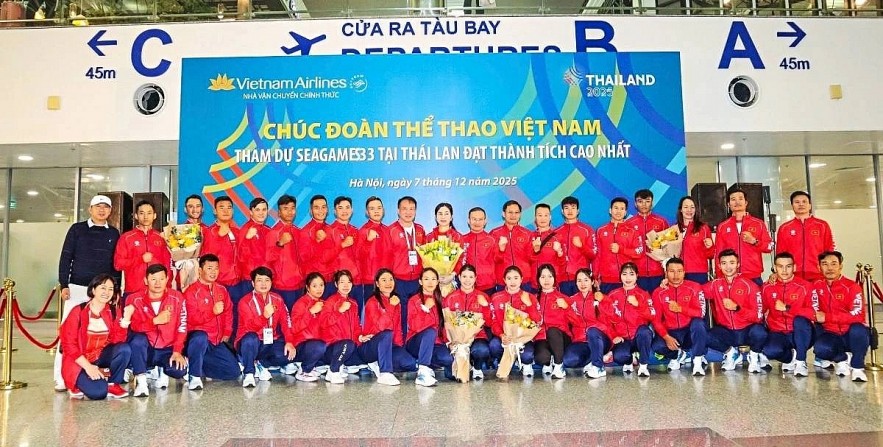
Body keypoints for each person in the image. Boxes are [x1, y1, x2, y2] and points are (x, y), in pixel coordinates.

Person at [55, 194, 121, 391]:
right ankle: (60, 377)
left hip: (103, 293)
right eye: (98, 207)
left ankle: (92, 372)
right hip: (78, 288)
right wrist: (63, 284)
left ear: (110, 211)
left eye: (106, 207)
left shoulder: (114, 233)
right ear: (90, 209)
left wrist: (115, 290)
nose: (102, 210)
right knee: (69, 334)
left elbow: (115, 266)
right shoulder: (77, 229)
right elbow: (66, 257)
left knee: (101, 332)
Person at [60, 274, 130, 400]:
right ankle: (76, 385)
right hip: (79, 362)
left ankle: (112, 383)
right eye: (103, 288)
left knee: (124, 349)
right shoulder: (78, 311)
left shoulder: (113, 311)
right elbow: (69, 345)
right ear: (93, 290)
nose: (107, 292)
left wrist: (125, 321)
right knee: (98, 393)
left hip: (100, 357)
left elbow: (117, 341)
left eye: (110, 289)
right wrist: (88, 367)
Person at [125, 264, 188, 397]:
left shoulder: (177, 297)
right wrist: (154, 321)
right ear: (146, 281)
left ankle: (162, 370)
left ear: (167, 279)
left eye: (161, 279)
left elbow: (182, 327)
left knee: (178, 371)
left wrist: (177, 351)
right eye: (153, 279)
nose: (158, 283)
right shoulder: (133, 299)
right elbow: (133, 327)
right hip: (146, 348)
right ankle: (142, 382)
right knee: (137, 340)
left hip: (167, 348)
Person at [183, 254, 241, 391]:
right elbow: (191, 319)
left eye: (216, 268)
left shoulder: (221, 290)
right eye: (209, 268)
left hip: (215, 341)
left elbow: (228, 312)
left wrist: (227, 332)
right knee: (200, 337)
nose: (213, 272)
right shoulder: (191, 292)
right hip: (197, 340)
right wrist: (212, 312)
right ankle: (194, 375)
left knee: (233, 373)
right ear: (200, 271)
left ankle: (195, 364)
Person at [704, 249, 768, 373]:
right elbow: (695, 291)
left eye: (732, 263)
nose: (728, 267)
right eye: (724, 263)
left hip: (746, 330)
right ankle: (731, 353)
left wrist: (737, 308)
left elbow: (758, 316)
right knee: (705, 336)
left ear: (738, 264)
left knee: (760, 333)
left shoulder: (750, 285)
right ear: (719, 265)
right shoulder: (715, 285)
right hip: (727, 331)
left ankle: (754, 357)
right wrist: (668, 283)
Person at [812, 251, 870, 382]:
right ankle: (842, 359)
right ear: (819, 267)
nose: (830, 268)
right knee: (820, 349)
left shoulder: (852, 287)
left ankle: (857, 366)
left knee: (858, 328)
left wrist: (828, 317)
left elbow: (858, 315)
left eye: (834, 264)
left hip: (850, 333)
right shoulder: (816, 286)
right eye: (825, 264)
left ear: (840, 266)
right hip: (830, 332)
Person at [236, 267, 297, 388]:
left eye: (267, 280)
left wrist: (290, 342)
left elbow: (286, 322)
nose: (263, 284)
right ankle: (249, 372)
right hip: (249, 343)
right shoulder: (245, 301)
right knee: (250, 338)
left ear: (271, 283)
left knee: (289, 355)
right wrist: (264, 316)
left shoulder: (277, 299)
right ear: (253, 283)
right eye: (259, 280)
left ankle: (261, 364)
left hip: (269, 342)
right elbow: (249, 327)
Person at [650, 257, 708, 376]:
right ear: (666, 273)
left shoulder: (694, 287)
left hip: (689, 331)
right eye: (672, 271)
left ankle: (697, 361)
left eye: (679, 271)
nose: (676, 275)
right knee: (657, 346)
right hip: (672, 332)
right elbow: (655, 320)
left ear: (684, 272)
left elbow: (701, 313)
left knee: (699, 324)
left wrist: (680, 309)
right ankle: (678, 355)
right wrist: (666, 337)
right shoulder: (658, 292)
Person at [596, 262, 655, 377]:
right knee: (620, 357)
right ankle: (629, 360)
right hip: (622, 339)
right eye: (624, 274)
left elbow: (652, 315)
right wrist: (613, 336)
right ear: (620, 276)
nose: (628, 278)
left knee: (645, 332)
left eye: (631, 274)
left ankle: (643, 366)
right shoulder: (613, 295)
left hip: (638, 337)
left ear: (637, 276)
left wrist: (638, 305)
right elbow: (605, 319)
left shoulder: (643, 294)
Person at [760, 252, 814, 377]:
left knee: (800, 320)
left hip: (801, 332)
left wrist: (788, 308)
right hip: (778, 332)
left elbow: (813, 313)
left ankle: (801, 361)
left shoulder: (805, 286)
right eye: (780, 266)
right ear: (775, 267)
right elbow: (760, 311)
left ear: (794, 267)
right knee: (770, 351)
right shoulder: (767, 287)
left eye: (788, 266)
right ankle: (791, 357)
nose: (784, 270)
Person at [360, 268, 415, 383]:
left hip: (390, 345)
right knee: (386, 334)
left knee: (409, 363)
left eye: (391, 280)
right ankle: (385, 372)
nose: (388, 283)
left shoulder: (395, 300)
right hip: (372, 345)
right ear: (377, 284)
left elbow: (398, 327)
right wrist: (390, 306)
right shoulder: (372, 302)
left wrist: (400, 348)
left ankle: (380, 363)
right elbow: (380, 327)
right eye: (384, 280)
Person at [405, 267, 454, 386]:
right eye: (426, 279)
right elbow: (415, 326)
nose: (430, 282)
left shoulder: (441, 300)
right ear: (420, 281)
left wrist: (449, 342)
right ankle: (422, 372)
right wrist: (425, 309)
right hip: (416, 342)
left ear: (438, 282)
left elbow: (444, 325)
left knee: (447, 359)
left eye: (433, 279)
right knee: (431, 331)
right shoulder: (414, 300)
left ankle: (426, 366)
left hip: (435, 343)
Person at [114, 200, 171, 303]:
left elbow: (167, 265)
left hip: (157, 292)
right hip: (133, 291)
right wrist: (140, 259)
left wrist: (168, 287)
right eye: (141, 213)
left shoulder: (162, 237)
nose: (145, 216)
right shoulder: (126, 238)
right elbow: (118, 264)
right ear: (136, 216)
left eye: (149, 213)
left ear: (154, 215)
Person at [443, 264, 493, 380]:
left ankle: (477, 367)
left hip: (477, 336)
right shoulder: (450, 298)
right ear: (459, 277)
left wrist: (485, 306)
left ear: (475, 278)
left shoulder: (483, 296)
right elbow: (445, 323)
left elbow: (490, 323)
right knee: (451, 375)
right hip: (456, 339)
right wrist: (449, 342)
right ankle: (464, 362)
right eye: (464, 276)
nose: (467, 280)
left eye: (471, 277)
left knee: (481, 351)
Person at [714, 186, 772, 286]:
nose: (737, 202)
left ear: (746, 203)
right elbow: (718, 253)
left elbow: (769, 247)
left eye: (740, 199)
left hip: (753, 275)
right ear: (728, 204)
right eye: (733, 199)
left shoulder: (758, 223)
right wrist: (719, 275)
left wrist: (754, 241)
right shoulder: (722, 226)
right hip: (730, 276)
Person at [489, 266, 540, 377]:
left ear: (521, 279)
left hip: (524, 339)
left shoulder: (529, 297)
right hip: (504, 337)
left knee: (527, 356)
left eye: (516, 278)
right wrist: (502, 335)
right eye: (509, 278)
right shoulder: (496, 298)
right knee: (493, 346)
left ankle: (525, 363)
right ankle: (502, 361)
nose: (512, 281)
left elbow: (538, 321)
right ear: (504, 280)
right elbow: (493, 322)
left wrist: (529, 305)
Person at [775, 191, 835, 282]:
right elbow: (780, 253)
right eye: (797, 202)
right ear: (792, 206)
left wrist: (827, 269)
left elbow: (829, 249)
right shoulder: (785, 228)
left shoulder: (822, 225)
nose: (801, 204)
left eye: (804, 202)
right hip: (793, 276)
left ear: (810, 205)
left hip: (818, 275)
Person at [388, 196, 426, 335]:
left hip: (417, 280)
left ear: (415, 211)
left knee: (417, 313)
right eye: (404, 209)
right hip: (399, 280)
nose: (408, 212)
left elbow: (425, 254)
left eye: (412, 209)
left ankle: (414, 341)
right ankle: (401, 343)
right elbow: (387, 257)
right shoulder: (391, 230)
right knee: (401, 314)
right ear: (398, 211)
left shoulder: (420, 229)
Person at [564, 268, 609, 379]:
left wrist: (603, 301)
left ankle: (598, 367)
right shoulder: (571, 300)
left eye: (586, 280)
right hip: (581, 341)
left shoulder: (600, 297)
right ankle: (593, 359)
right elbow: (572, 321)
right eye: (579, 280)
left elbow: (612, 317)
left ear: (592, 282)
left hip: (600, 339)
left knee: (592, 331)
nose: (582, 284)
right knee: (569, 360)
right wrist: (567, 309)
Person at [319, 270, 360, 385]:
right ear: (336, 284)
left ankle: (339, 364)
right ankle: (333, 370)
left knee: (354, 345)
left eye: (349, 282)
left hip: (348, 347)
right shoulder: (331, 301)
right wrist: (339, 311)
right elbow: (323, 323)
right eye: (342, 282)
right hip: (332, 347)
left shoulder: (353, 303)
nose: (346, 285)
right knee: (348, 344)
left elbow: (356, 326)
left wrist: (360, 336)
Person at [288, 272, 331, 382]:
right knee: (319, 346)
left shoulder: (324, 303)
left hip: (319, 344)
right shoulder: (301, 303)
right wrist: (311, 312)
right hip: (303, 345)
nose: (319, 289)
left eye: (321, 285)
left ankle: (314, 365)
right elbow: (294, 328)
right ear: (307, 287)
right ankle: (304, 370)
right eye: (315, 286)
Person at [594, 197, 642, 294]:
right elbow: (597, 256)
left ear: (625, 212)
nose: (618, 211)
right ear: (610, 210)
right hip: (607, 280)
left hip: (627, 280)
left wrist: (621, 249)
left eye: (622, 209)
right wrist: (595, 276)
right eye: (616, 208)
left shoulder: (632, 231)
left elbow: (639, 252)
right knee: (606, 308)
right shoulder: (601, 230)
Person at [626, 189, 669, 293]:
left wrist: (667, 273)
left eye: (647, 201)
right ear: (635, 204)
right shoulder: (628, 224)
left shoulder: (662, 222)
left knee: (657, 305)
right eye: (640, 201)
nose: (644, 204)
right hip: (636, 273)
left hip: (658, 272)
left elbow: (669, 250)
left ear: (652, 203)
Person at [533, 264, 572, 379]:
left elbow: (576, 320)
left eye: (549, 276)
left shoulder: (562, 298)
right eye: (543, 277)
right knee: (541, 358)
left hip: (561, 337)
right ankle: (550, 359)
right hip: (542, 337)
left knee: (553, 331)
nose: (546, 280)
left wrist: (566, 308)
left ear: (554, 278)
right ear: (538, 279)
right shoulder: (533, 299)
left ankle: (559, 366)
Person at [266, 195, 304, 310]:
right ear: (279, 212)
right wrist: (280, 243)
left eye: (292, 208)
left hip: (300, 285)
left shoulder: (299, 231)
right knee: (284, 322)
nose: (289, 212)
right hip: (282, 287)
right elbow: (268, 258)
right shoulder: (273, 233)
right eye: (285, 208)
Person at [356, 196, 391, 317]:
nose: (376, 211)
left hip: (388, 281)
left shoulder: (388, 230)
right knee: (373, 317)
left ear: (383, 210)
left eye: (379, 208)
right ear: (367, 212)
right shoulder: (363, 231)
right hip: (371, 281)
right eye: (372, 208)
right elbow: (358, 256)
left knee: (388, 316)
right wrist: (368, 241)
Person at [556, 196, 597, 297]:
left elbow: (593, 255)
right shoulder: (556, 232)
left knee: (582, 310)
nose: (570, 210)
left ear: (578, 210)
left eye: (573, 207)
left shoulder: (587, 230)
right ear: (562, 211)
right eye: (566, 208)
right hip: (562, 279)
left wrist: (581, 246)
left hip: (582, 279)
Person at [490, 200, 533, 292]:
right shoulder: (494, 234)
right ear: (503, 214)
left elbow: (532, 259)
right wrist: (501, 250)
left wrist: (536, 250)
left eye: (516, 212)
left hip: (524, 280)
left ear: (520, 214)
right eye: (510, 212)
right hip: (503, 281)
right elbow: (493, 260)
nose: (513, 215)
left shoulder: (528, 233)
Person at [200, 196, 239, 293]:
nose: (226, 211)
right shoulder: (209, 232)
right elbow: (207, 259)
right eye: (221, 208)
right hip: (218, 283)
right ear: (215, 211)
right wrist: (219, 237)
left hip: (237, 283)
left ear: (233, 211)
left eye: (229, 208)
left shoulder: (237, 231)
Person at [235, 197, 272, 299]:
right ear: (251, 212)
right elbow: (241, 257)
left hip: (266, 277)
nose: (261, 213)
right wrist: (247, 239)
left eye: (264, 210)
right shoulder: (246, 229)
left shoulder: (268, 230)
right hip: (250, 279)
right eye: (257, 210)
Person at [329, 196, 361, 310]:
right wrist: (342, 245)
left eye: (347, 207)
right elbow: (325, 257)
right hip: (339, 283)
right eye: (340, 208)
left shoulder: (356, 231)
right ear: (334, 211)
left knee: (356, 316)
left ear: (352, 210)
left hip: (356, 282)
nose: (344, 211)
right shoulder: (329, 231)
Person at [300, 195, 338, 291]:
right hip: (315, 282)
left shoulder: (330, 229)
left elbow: (335, 255)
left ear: (327, 210)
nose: (320, 210)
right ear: (310, 210)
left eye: (323, 207)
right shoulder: (306, 231)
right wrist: (316, 241)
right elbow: (304, 257)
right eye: (316, 207)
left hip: (332, 280)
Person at [676, 196, 714, 285]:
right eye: (685, 207)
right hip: (677, 273)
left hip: (698, 272)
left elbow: (711, 255)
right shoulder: (673, 229)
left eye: (692, 207)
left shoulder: (703, 228)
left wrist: (710, 246)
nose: (689, 210)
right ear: (680, 210)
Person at [460, 207, 497, 295]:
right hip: (467, 285)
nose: (477, 222)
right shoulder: (462, 240)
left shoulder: (492, 240)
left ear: (485, 221)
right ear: (469, 220)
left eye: (480, 219)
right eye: (474, 219)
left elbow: (498, 260)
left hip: (487, 286)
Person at [426, 202, 462, 289]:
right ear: (435, 217)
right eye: (440, 214)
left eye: (446, 214)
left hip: (452, 279)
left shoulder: (457, 236)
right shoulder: (429, 237)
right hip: (433, 280)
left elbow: (461, 259)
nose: (443, 217)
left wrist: (452, 275)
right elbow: (425, 260)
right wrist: (434, 274)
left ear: (451, 217)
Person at [529, 204, 565, 292]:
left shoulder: (558, 237)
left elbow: (563, 262)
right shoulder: (529, 236)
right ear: (535, 217)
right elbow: (526, 260)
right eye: (540, 215)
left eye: (546, 215)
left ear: (550, 217)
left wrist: (559, 253)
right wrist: (535, 251)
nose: (543, 218)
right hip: (534, 284)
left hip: (552, 284)